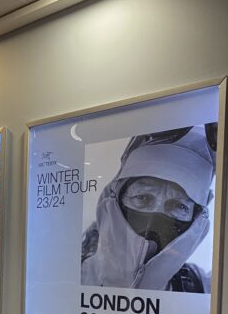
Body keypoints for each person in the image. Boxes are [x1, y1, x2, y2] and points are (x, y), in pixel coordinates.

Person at [80, 124, 217, 292]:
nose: (154, 218)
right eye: (142, 197)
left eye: (179, 205)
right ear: (114, 200)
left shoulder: (203, 289)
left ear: (197, 219)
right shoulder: (66, 276)